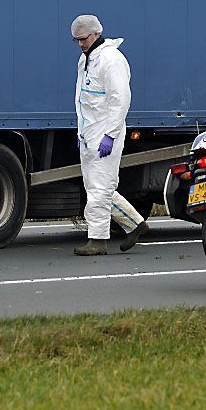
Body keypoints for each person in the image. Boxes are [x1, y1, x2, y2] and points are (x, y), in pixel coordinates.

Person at [71, 14, 150, 256]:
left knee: (99, 189)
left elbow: (120, 100)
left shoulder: (111, 60)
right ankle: (135, 224)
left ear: (95, 33)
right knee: (99, 187)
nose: (80, 43)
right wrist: (82, 132)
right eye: (76, 40)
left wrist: (111, 135)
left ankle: (97, 240)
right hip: (90, 133)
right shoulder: (87, 60)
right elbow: (84, 101)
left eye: (83, 39)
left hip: (105, 133)